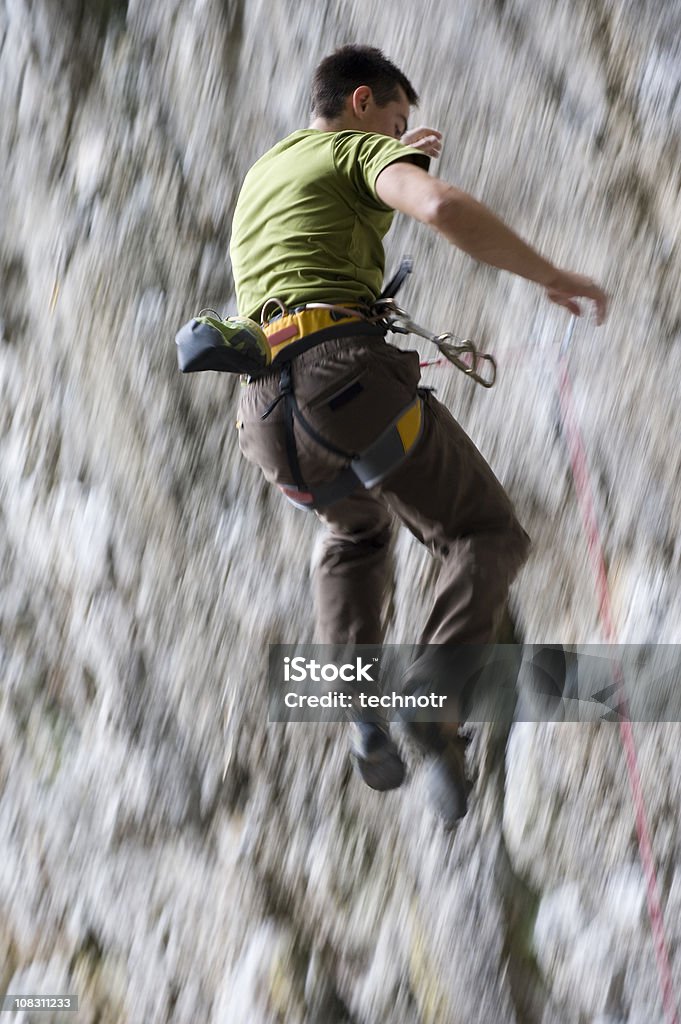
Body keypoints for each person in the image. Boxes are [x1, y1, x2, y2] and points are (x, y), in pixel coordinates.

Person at [230, 45, 607, 828]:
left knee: (355, 526)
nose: (403, 136)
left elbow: (324, 230)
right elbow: (435, 207)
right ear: (361, 101)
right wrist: (547, 274)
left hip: (265, 415)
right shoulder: (353, 148)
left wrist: (387, 157)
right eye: (397, 119)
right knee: (483, 532)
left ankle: (358, 703)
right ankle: (432, 705)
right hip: (344, 380)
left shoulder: (267, 176)